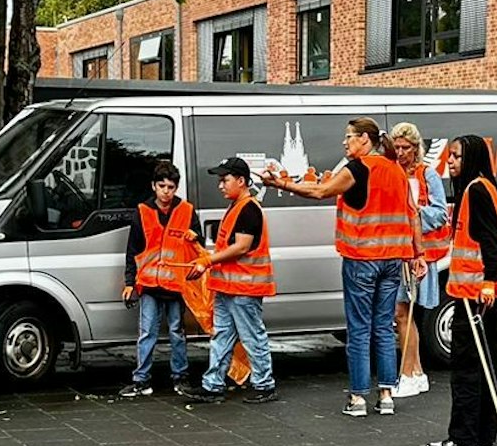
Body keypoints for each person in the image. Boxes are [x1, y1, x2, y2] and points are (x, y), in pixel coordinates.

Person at [263, 117, 421, 416]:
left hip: (362, 259)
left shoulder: (357, 169)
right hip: (392, 260)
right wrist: (417, 254)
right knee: (384, 329)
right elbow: (412, 214)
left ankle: (359, 398)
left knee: (359, 329)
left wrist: (279, 183)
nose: (344, 142)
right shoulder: (396, 170)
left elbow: (320, 191)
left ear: (364, 139)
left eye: (349, 137)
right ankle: (386, 394)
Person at [426, 134, 497, 446]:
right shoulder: (486, 187)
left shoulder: (475, 191)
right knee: (488, 363)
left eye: (456, 157)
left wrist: (488, 282)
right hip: (483, 294)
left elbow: (489, 241)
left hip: (473, 294)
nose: (449, 161)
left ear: (472, 159)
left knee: (467, 366)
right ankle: (482, 436)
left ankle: (462, 438)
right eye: (449, 155)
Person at [179, 158, 277, 405]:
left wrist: (207, 261)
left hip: (243, 288)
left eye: (225, 180)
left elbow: (241, 247)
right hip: (228, 287)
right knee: (222, 336)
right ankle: (213, 385)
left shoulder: (248, 208)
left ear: (241, 181)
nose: (220, 185)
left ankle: (264, 385)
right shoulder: (238, 207)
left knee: (251, 336)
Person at [119, 161, 195, 397]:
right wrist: (129, 282)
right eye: (162, 186)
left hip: (174, 285)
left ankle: (179, 377)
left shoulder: (187, 212)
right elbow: (133, 250)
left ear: (176, 188)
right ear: (154, 186)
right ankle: (142, 379)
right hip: (150, 284)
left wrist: (196, 235)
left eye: (170, 187)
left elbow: (196, 244)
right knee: (148, 332)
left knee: (176, 332)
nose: (166, 191)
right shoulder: (142, 212)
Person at [390, 123, 447, 401]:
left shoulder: (428, 174)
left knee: (406, 313)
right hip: (400, 251)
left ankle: (410, 373)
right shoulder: (393, 172)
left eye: (405, 148)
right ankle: (416, 372)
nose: (400, 153)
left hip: (421, 253)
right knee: (403, 313)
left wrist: (412, 215)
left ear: (416, 148)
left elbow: (440, 213)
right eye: (397, 147)